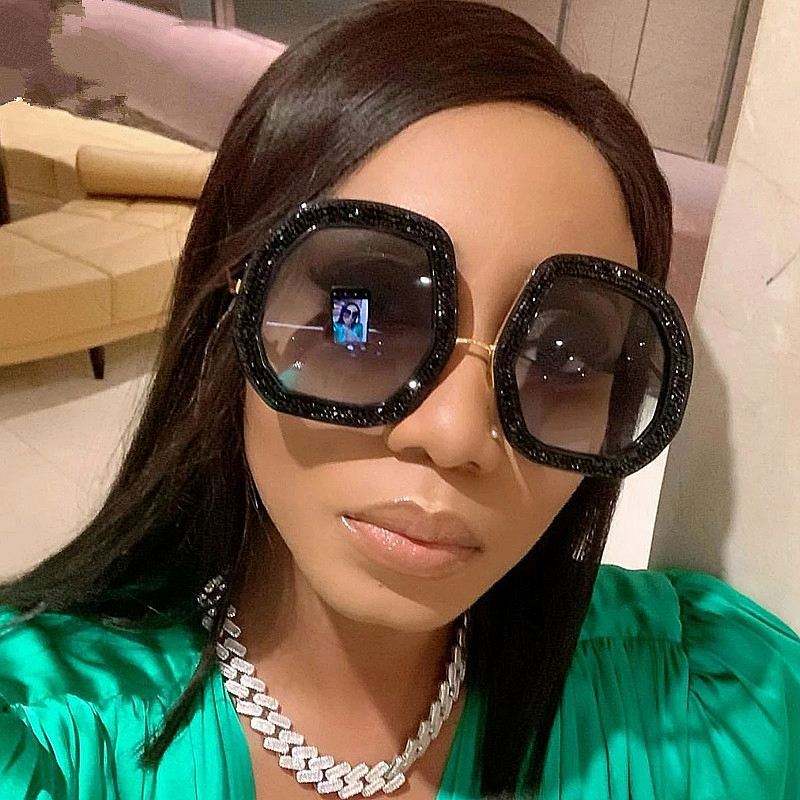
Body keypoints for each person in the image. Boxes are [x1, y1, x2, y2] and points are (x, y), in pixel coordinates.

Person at [1, 2, 798, 799]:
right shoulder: (47, 738)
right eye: (366, 314)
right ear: (231, 312)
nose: (456, 433)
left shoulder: (705, 710)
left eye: (563, 357)